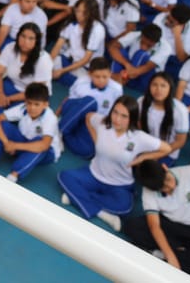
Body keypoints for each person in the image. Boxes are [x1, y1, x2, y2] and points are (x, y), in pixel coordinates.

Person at [58, 96, 172, 231]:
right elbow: (88, 117)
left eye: (124, 116)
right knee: (64, 177)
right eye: (115, 112)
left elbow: (167, 148)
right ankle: (102, 213)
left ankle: (76, 197)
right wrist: (96, 139)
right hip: (93, 174)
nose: (117, 119)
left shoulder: (139, 137)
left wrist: (142, 158)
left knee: (125, 207)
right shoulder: (102, 123)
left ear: (132, 119)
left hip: (119, 184)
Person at [0, 82, 59, 183]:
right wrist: (6, 143)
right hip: (24, 141)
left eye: (37, 104)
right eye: (29, 103)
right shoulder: (23, 108)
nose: (32, 108)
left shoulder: (50, 118)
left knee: (40, 144)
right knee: (4, 125)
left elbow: (44, 145)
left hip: (46, 153)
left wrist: (15, 146)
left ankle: (13, 176)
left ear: (46, 104)